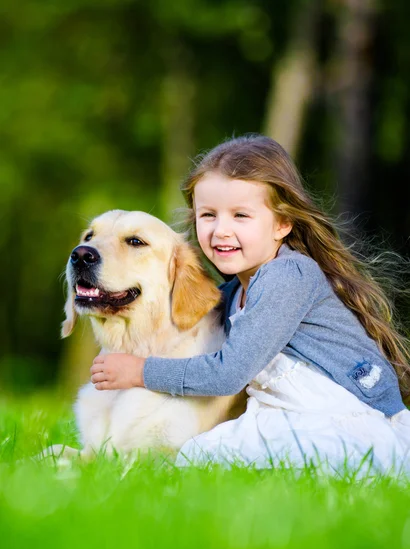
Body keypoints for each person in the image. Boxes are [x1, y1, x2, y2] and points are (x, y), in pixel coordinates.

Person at [90, 135, 410, 475]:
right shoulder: (229, 295)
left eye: (241, 216)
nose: (221, 231)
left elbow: (228, 373)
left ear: (282, 224)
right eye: (208, 215)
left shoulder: (288, 275)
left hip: (347, 419)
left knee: (208, 459)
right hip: (282, 417)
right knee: (200, 453)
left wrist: (140, 371)